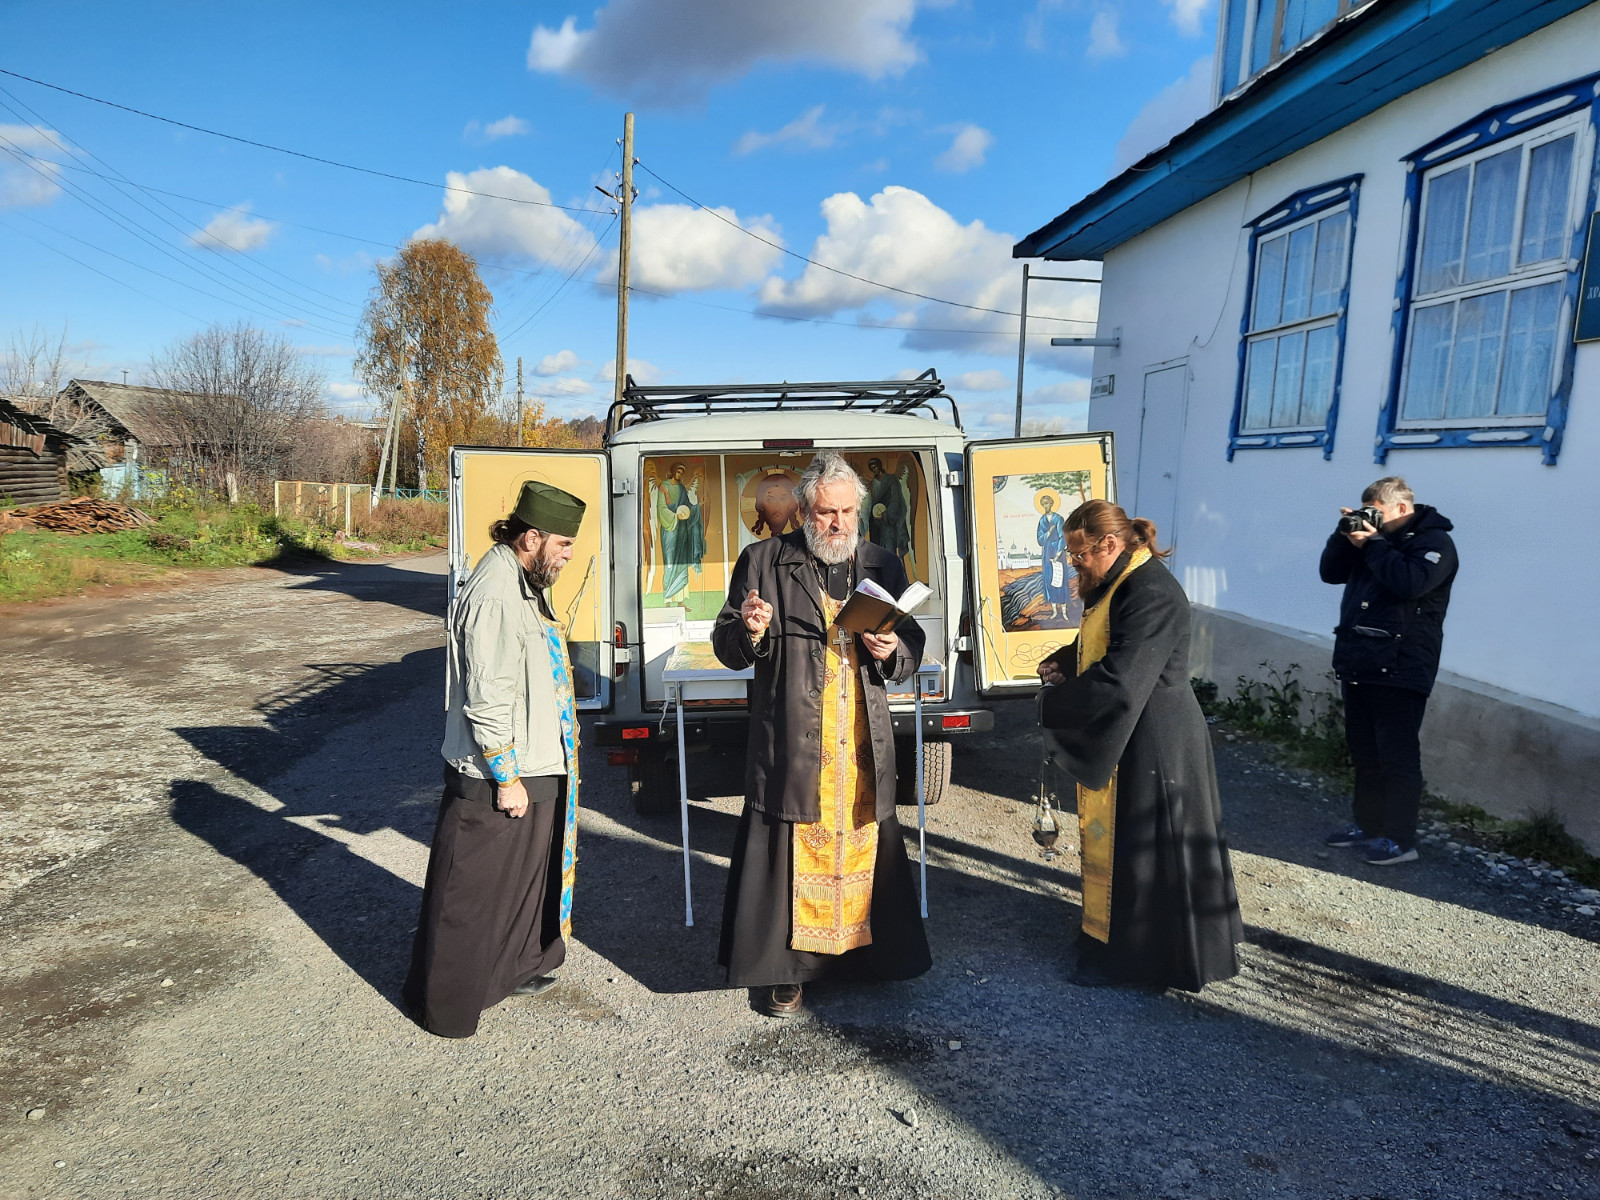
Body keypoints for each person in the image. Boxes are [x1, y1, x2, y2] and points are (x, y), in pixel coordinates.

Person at [712, 450, 932, 1018]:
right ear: (804, 512)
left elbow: (911, 646)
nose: (839, 524)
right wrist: (752, 631)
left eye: (848, 513)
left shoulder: (883, 564)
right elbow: (727, 644)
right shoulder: (762, 561)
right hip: (793, 736)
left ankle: (863, 955)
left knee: (864, 847)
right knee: (791, 848)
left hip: (859, 740)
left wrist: (893, 650)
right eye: (827, 513)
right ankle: (789, 973)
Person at [403, 480, 587, 1038]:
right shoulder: (494, 593)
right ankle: (447, 1005)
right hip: (496, 773)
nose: (568, 556)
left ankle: (515, 968)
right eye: (562, 545)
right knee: (471, 892)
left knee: (525, 880)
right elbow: (487, 694)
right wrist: (506, 776)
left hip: (538, 762)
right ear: (532, 537)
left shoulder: (521, 581)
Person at [1036, 499, 1242, 991]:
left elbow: (1124, 678)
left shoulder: (1152, 590)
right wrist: (1067, 661)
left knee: (1150, 851)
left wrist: (1055, 706)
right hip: (1133, 731)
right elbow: (1109, 640)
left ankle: (1140, 961)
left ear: (1110, 543)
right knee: (1127, 846)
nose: (1074, 563)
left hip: (1157, 740)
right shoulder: (1121, 581)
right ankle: (1109, 939)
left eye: (1080, 554)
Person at [1319, 476, 1457, 866]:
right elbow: (1331, 573)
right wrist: (1343, 536)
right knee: (1365, 753)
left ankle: (1400, 839)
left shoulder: (1435, 543)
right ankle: (1368, 826)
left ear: (1401, 508)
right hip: (1360, 659)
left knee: (1396, 757)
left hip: (1402, 665)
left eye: (1374, 512)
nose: (1369, 519)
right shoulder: (1372, 539)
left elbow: (1410, 584)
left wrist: (1374, 544)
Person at [654, 462, 706, 606]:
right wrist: (674, 517)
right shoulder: (664, 486)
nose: (680, 474)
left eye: (682, 472)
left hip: (682, 528)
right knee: (670, 562)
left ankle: (680, 600)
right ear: (673, 471)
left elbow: (686, 506)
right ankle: (668, 599)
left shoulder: (682, 488)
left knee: (682, 561)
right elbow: (661, 508)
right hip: (670, 527)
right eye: (678, 471)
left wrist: (696, 507)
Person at [865, 457, 911, 562]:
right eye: (871, 468)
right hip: (876, 523)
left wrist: (886, 515)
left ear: (880, 466)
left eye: (875, 467)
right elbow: (870, 502)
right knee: (878, 551)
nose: (874, 470)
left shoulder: (891, 481)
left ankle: (892, 575)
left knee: (889, 549)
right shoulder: (872, 484)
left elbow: (896, 500)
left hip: (888, 522)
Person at [1036, 493, 1072, 622]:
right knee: (1050, 580)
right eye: (1043, 504)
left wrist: (1058, 553)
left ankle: (1064, 612)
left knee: (1060, 580)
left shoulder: (1058, 518)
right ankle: (1054, 612)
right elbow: (1040, 539)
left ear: (1051, 503)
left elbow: (1063, 536)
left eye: (1047, 503)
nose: (1045, 506)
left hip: (1058, 552)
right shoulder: (1042, 520)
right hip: (1047, 553)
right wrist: (1049, 532)